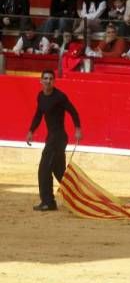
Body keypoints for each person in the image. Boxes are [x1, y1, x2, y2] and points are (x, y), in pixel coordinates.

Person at [26, 69, 82, 211]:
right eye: (45, 78)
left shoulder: (60, 97)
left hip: (58, 138)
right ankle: (77, 196)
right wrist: (31, 131)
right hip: (52, 137)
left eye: (51, 78)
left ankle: (48, 202)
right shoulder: (40, 96)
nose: (48, 81)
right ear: (41, 80)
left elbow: (73, 111)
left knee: (44, 168)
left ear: (54, 81)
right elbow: (38, 114)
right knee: (58, 171)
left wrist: (77, 129)